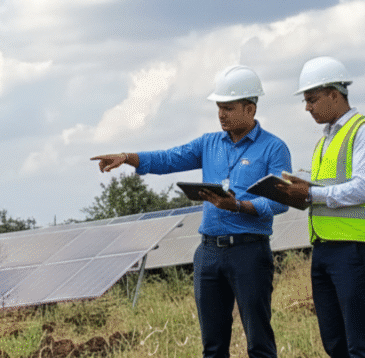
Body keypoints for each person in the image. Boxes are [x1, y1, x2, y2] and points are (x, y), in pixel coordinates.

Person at [92, 65, 291, 358]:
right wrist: (127, 157)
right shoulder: (208, 143)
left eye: (228, 107)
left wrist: (239, 205)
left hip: (249, 252)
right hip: (208, 253)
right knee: (212, 344)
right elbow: (169, 158)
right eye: (218, 107)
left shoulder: (274, 148)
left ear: (250, 108)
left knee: (258, 340)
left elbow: (281, 201)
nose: (221, 114)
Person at [274, 56, 365, 358]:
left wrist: (311, 195)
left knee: (360, 342)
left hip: (355, 247)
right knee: (335, 341)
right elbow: (329, 188)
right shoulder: (325, 140)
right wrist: (298, 190)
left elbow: (364, 188)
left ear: (334, 95)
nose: (307, 107)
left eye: (312, 99)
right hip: (325, 247)